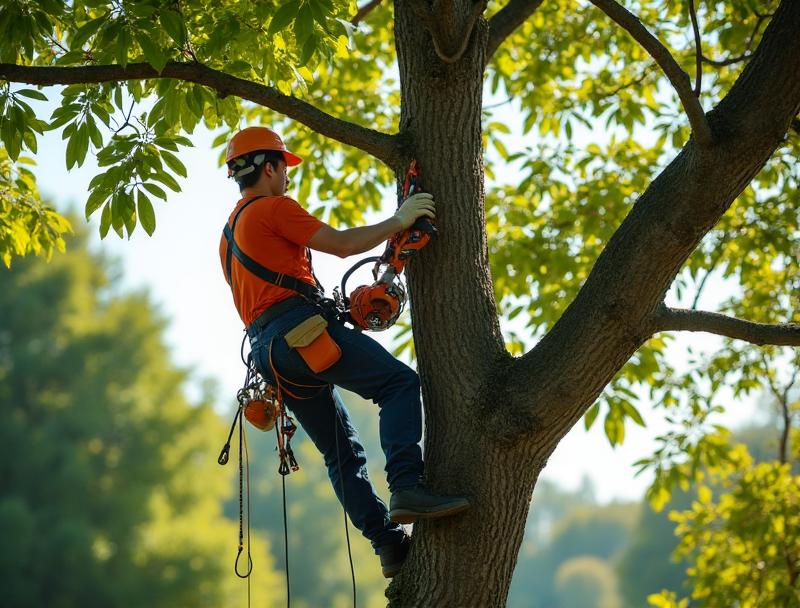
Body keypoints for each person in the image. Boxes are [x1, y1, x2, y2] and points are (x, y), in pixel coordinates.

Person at [219, 127, 470, 578]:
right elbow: (342, 245)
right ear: (269, 167)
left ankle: (389, 546)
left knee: (341, 455)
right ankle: (407, 486)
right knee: (398, 383)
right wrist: (400, 219)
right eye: (284, 169)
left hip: (270, 354)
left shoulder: (227, 235)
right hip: (302, 334)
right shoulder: (273, 208)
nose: (288, 179)